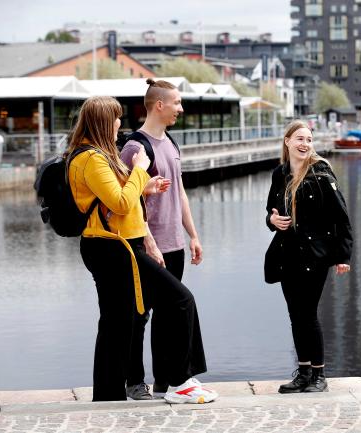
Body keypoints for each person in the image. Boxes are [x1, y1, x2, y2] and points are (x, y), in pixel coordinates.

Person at [67, 95, 216, 404]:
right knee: (180, 300)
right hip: (114, 247)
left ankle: (108, 398)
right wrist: (140, 170)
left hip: (120, 244)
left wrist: (145, 186)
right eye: (116, 118)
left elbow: (118, 197)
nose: (120, 123)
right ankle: (178, 382)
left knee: (117, 323)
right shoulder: (90, 158)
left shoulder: (96, 156)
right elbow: (120, 202)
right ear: (103, 122)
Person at [119, 78, 206, 400]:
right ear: (160, 105)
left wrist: (193, 235)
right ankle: (134, 382)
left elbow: (180, 192)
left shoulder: (170, 142)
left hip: (174, 244)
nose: (180, 109)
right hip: (145, 245)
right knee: (140, 315)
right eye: (177, 103)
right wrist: (149, 241)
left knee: (169, 316)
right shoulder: (135, 147)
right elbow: (125, 200)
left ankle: (165, 381)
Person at [264, 120, 353, 393]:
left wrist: (343, 256)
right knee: (295, 315)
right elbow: (270, 210)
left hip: (314, 256)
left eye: (309, 140)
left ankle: (319, 376)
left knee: (308, 314)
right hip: (286, 254)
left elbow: (342, 218)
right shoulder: (279, 174)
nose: (305, 144)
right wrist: (272, 220)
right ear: (287, 141)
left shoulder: (321, 174)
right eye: (299, 139)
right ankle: (302, 373)